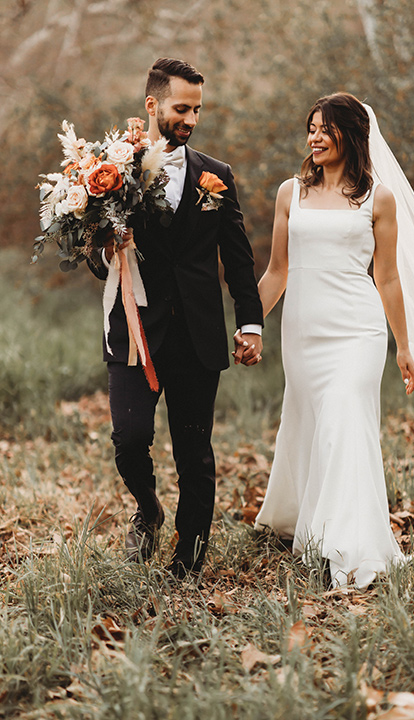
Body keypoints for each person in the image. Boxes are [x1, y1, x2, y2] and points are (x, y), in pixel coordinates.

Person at [89, 57, 263, 577]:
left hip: (196, 334)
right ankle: (148, 508)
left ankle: (188, 563)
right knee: (128, 441)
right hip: (136, 330)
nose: (189, 119)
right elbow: (100, 263)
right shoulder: (112, 173)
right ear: (152, 105)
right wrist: (108, 249)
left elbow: (238, 257)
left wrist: (249, 322)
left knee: (194, 452)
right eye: (180, 108)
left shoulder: (218, 176)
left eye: (197, 110)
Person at [253, 92, 414, 590]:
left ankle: (348, 546)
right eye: (311, 128)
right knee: (309, 423)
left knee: (345, 422)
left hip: (358, 330)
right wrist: (247, 324)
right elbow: (277, 272)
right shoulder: (290, 193)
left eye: (326, 128)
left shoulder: (378, 199)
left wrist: (404, 346)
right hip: (303, 331)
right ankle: (303, 516)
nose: (315, 137)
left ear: (351, 134)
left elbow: (386, 278)